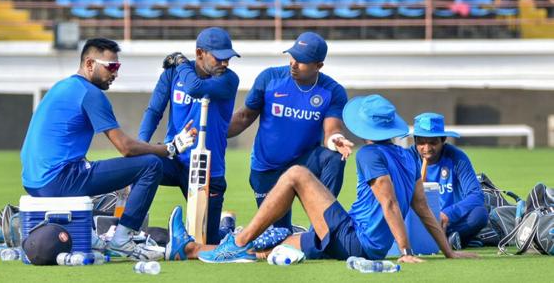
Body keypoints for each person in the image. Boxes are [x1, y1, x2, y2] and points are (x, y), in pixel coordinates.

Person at [163, 94, 477, 263]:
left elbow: (390, 202)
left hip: (356, 241)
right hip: (356, 240)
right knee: (270, 249)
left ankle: (238, 240)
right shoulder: (409, 157)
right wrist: (448, 251)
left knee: (297, 175)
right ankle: (188, 249)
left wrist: (406, 252)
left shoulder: (370, 156)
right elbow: (422, 208)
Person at [20, 38, 196, 258]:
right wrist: (171, 148)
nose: (115, 73)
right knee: (151, 165)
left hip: (32, 182)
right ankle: (123, 239)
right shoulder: (91, 94)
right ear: (89, 64)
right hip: (58, 180)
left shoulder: (63, 86)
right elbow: (126, 148)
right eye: (111, 67)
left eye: (118, 67)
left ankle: (93, 233)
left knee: (115, 172)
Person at [227, 31, 354, 230]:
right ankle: (237, 227)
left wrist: (336, 139)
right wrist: (212, 133)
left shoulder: (332, 91)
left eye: (301, 60)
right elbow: (244, 117)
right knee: (279, 235)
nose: (293, 63)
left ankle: (321, 229)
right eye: (292, 56)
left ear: (318, 65)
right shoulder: (269, 78)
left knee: (334, 157)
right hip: (267, 167)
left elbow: (332, 129)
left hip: (304, 163)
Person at [138, 27, 240, 244]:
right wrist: (140, 145)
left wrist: (181, 61)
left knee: (206, 241)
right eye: (219, 58)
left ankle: (228, 228)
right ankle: (128, 231)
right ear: (200, 53)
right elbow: (154, 111)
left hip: (207, 168)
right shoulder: (172, 74)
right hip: (174, 158)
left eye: (228, 58)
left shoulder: (229, 80)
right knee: (139, 165)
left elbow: (195, 87)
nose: (225, 63)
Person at [408, 112, 487, 249]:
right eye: (421, 142)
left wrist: (448, 214)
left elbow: (476, 195)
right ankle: (452, 240)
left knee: (480, 214)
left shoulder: (457, 157)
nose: (426, 149)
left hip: (447, 222)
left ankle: (447, 238)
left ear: (443, 140)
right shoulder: (407, 158)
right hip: (416, 219)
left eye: (433, 142)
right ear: (415, 141)